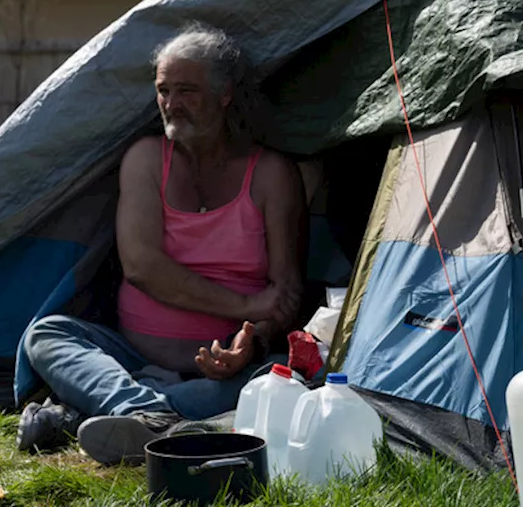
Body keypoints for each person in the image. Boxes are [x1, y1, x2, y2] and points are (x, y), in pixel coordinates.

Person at [16, 25, 307, 465]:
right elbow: (141, 266)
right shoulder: (147, 158)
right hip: (133, 352)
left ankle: (109, 411)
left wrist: (252, 341)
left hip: (224, 364)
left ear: (224, 94)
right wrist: (248, 306)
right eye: (163, 90)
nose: (171, 104)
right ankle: (154, 413)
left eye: (186, 91)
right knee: (47, 333)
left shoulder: (270, 174)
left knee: (273, 378)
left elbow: (286, 294)